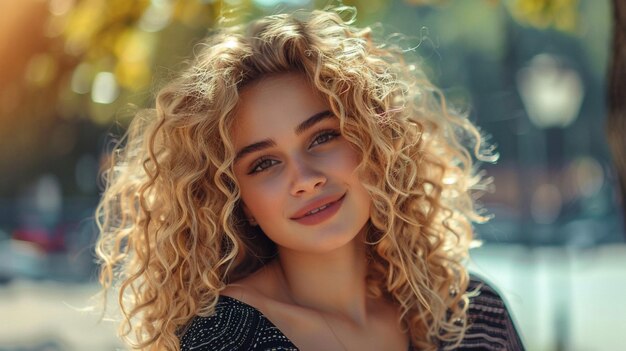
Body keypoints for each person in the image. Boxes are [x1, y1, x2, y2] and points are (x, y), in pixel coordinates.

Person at [95, 6, 525, 351]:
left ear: (373, 145)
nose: (304, 179)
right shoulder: (224, 341)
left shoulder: (472, 314)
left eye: (322, 137)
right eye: (263, 163)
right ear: (237, 198)